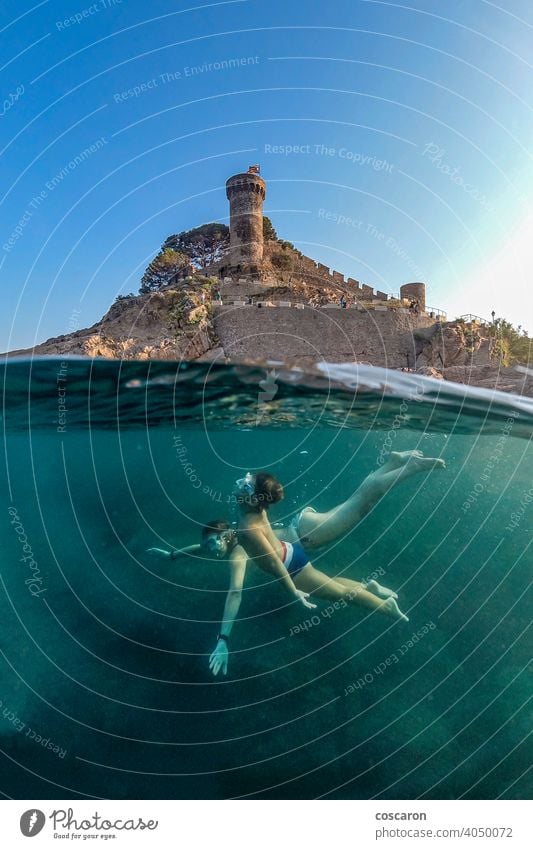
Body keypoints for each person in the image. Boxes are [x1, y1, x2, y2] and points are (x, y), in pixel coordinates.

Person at [148, 451, 446, 675]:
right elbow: (203, 545)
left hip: (304, 543)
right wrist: (173, 555)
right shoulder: (237, 528)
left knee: (360, 508)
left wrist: (226, 637)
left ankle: (386, 608)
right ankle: (394, 462)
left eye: (244, 487)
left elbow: (243, 587)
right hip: (298, 539)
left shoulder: (242, 537)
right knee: (357, 506)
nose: (211, 549)